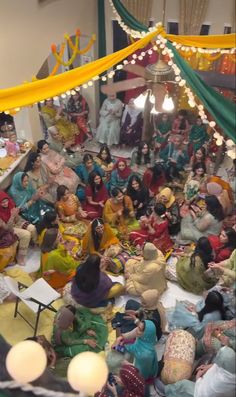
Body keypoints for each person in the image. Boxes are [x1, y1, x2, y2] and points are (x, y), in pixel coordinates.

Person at [155, 346, 236, 397]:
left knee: (183, 385)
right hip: (207, 385)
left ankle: (165, 391)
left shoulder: (221, 382)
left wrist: (198, 378)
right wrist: (208, 367)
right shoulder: (231, 367)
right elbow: (218, 364)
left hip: (201, 392)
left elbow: (204, 393)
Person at [0, 190, 37, 265]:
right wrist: (13, 216)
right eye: (2, 202)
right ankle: (20, 257)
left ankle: (35, 243)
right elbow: (7, 228)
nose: (5, 204)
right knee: (26, 234)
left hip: (16, 223)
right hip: (6, 230)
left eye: (6, 201)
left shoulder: (10, 204)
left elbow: (18, 218)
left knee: (32, 228)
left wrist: (23, 222)